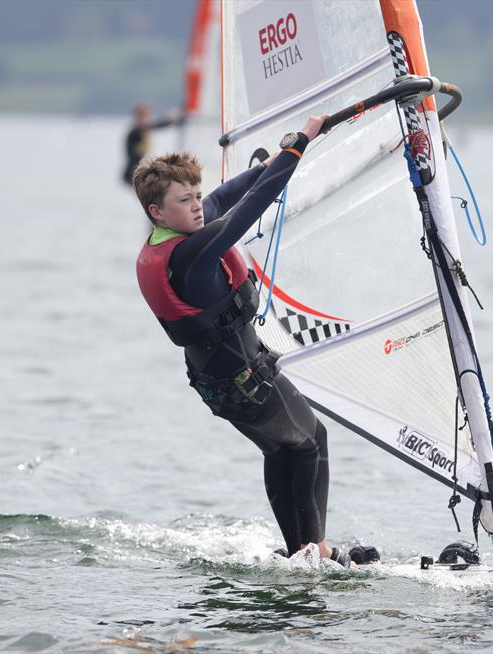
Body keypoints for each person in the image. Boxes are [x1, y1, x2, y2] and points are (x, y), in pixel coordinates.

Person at [132, 115, 355, 566]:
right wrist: (300, 146)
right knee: (311, 441)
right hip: (245, 380)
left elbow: (223, 196)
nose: (197, 206)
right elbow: (250, 207)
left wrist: (269, 160)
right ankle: (313, 552)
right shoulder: (192, 255)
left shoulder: (173, 238)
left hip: (219, 384)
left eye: (195, 195)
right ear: (158, 211)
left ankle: (298, 549)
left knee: (283, 448)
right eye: (184, 201)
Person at [122, 103, 181, 185]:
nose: (147, 119)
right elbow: (156, 126)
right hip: (132, 173)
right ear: (137, 117)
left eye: (148, 116)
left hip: (138, 172)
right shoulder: (136, 131)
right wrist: (170, 119)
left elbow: (154, 126)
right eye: (143, 116)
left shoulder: (143, 130)